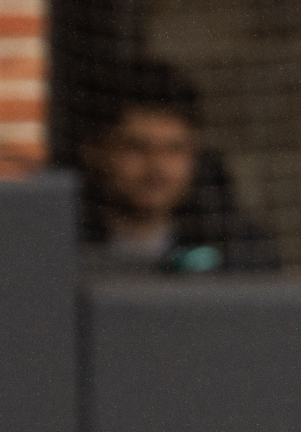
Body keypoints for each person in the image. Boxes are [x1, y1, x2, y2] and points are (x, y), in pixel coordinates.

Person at [78, 59, 280, 274]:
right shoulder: (64, 242)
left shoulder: (238, 250)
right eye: (136, 148)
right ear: (95, 151)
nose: (157, 167)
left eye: (174, 149)